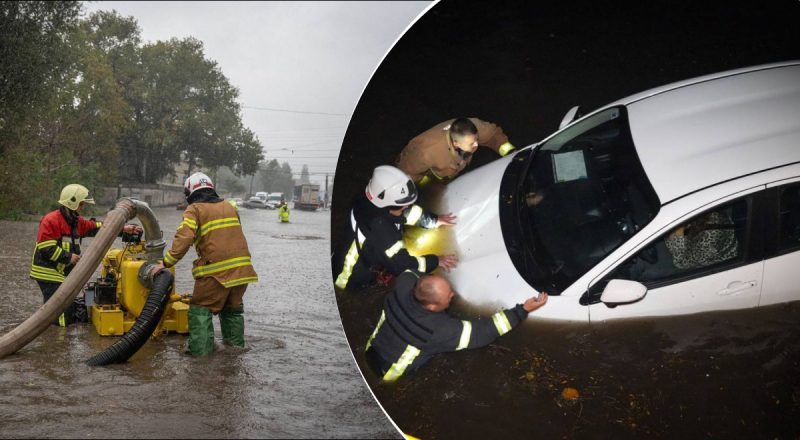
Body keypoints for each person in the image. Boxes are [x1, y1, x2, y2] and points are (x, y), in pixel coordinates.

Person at [364, 270, 548, 381]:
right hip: (390, 373)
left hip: (371, 348)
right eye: (448, 296)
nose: (452, 295)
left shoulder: (404, 283)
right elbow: (483, 333)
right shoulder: (440, 330)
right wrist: (523, 310)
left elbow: (411, 272)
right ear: (432, 306)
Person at [150, 172, 258, 356]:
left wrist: (166, 262)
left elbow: (184, 237)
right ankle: (235, 354)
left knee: (200, 310)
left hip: (215, 273)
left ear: (191, 193)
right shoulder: (230, 206)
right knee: (232, 312)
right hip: (243, 271)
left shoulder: (195, 209)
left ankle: (201, 359)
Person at [29, 183, 142, 326]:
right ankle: (59, 339)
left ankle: (50, 329)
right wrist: (69, 257)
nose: (83, 207)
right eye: (81, 204)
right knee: (62, 312)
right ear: (73, 202)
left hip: (62, 272)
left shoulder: (75, 221)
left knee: (57, 308)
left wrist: (122, 229)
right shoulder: (51, 220)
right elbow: (46, 248)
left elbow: (98, 228)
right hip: (47, 273)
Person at [332, 165, 458, 290]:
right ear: (388, 206)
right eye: (404, 205)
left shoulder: (373, 199)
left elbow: (405, 212)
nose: (407, 207)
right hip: (349, 277)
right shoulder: (382, 230)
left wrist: (433, 221)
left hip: (350, 256)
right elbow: (403, 266)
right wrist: (436, 261)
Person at [396, 117, 516, 183]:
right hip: (434, 174)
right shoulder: (426, 152)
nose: (477, 145)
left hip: (458, 166)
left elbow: (493, 135)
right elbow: (406, 171)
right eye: (471, 144)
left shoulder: (473, 127)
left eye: (477, 140)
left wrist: (510, 153)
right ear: (456, 143)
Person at [665, 210, 738, 270]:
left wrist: (678, 235)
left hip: (719, 260)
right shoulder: (705, 212)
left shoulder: (708, 238)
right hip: (709, 240)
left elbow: (681, 263)